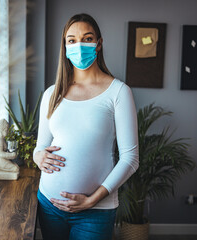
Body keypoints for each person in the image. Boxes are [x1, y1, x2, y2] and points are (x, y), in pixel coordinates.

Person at [33, 13, 139, 240]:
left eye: (87, 38)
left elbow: (131, 158)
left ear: (99, 44)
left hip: (96, 210)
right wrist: (38, 157)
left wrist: (93, 199)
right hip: (50, 204)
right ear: (65, 46)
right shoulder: (52, 94)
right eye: (72, 40)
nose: (79, 46)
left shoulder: (118, 92)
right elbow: (40, 147)